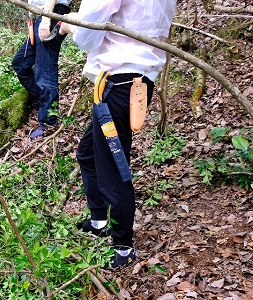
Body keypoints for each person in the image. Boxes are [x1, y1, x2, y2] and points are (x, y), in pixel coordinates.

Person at [59, 0, 177, 268]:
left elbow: (90, 30)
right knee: (88, 153)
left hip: (119, 81)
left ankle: (123, 247)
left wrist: (71, 26)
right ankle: (99, 220)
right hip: (136, 81)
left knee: (113, 168)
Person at [12, 0, 72, 139]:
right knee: (21, 63)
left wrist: (46, 20)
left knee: (45, 68)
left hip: (51, 13)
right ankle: (43, 100)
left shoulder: (48, 16)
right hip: (41, 17)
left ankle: (49, 122)